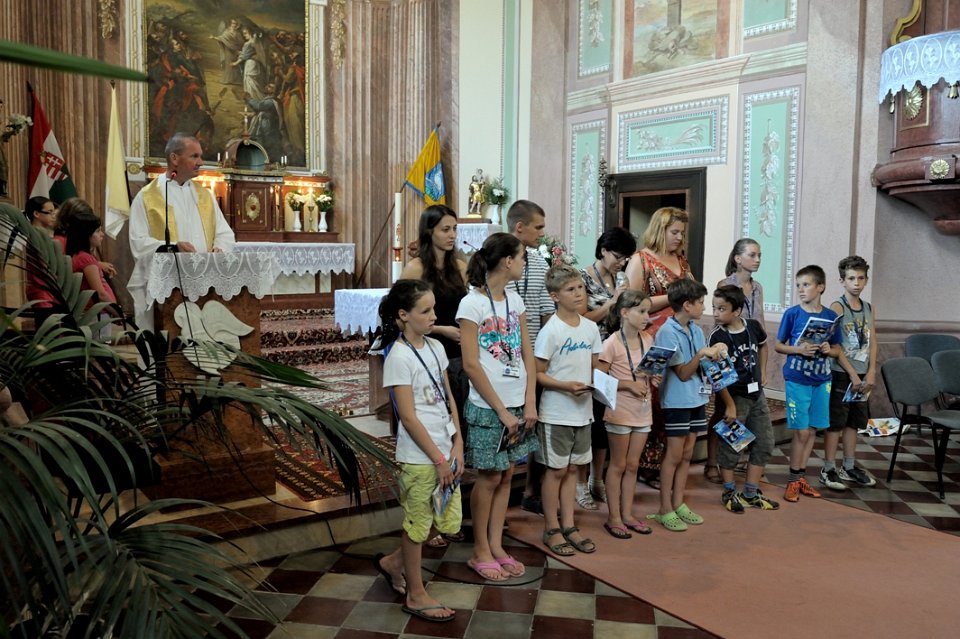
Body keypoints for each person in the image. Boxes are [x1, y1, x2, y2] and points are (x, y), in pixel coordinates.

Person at [373, 280, 463, 623]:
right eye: (425, 311)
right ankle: (415, 593)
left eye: (433, 308)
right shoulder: (398, 357)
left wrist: (458, 443)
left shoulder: (435, 348)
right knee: (417, 525)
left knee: (442, 523)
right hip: (420, 457)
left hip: (445, 447)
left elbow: (448, 397)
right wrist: (438, 459)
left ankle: (393, 563)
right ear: (403, 315)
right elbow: (408, 417)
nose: (434, 316)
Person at [456, 232, 538, 581]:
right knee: (489, 477)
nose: (523, 263)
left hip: (518, 402)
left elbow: (527, 354)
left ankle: (496, 545)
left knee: (506, 475)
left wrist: (530, 400)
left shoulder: (515, 301)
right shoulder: (471, 304)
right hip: (489, 407)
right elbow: (471, 364)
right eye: (521, 257)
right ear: (507, 261)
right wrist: (502, 411)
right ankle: (480, 550)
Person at [399, 205, 469, 548]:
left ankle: (446, 514)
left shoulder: (461, 266)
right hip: (429, 351)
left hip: (459, 356)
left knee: (455, 430)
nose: (452, 235)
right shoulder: (416, 268)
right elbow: (402, 313)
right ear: (429, 232)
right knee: (430, 433)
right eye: (445, 229)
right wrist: (442, 329)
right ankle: (425, 520)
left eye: (454, 228)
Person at [127, 133, 236, 330]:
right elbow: (138, 242)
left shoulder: (205, 196)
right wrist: (172, 247)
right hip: (167, 286)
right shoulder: (148, 197)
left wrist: (219, 248)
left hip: (204, 281)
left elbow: (224, 233)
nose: (200, 162)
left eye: (200, 156)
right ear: (174, 158)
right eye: (194, 156)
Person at [623, 207, 693, 489]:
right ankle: (647, 466)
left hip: (680, 338)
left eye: (682, 233)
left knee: (674, 399)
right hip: (653, 338)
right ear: (660, 230)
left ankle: (669, 463)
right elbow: (633, 302)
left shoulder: (681, 261)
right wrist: (674, 297)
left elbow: (692, 293)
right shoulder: (641, 260)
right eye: (674, 232)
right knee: (653, 400)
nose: (679, 238)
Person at [534, 264, 602, 555]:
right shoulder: (551, 330)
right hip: (556, 412)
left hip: (583, 411)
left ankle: (569, 524)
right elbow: (538, 373)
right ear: (555, 296)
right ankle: (551, 527)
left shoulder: (590, 327)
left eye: (581, 288)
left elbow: (595, 366)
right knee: (556, 471)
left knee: (574, 469)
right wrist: (565, 386)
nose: (578, 294)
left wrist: (601, 385)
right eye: (570, 289)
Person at [650, 278, 725, 531]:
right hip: (677, 400)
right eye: (700, 302)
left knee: (687, 454)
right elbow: (682, 373)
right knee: (673, 455)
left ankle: (678, 503)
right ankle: (664, 508)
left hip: (697, 398)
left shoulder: (695, 329)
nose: (704, 306)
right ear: (686, 305)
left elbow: (704, 365)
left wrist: (716, 353)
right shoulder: (667, 331)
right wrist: (702, 354)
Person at [577, 227, 636, 510]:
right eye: (618, 257)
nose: (621, 263)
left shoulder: (620, 279)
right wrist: (612, 303)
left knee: (605, 421)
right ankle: (580, 484)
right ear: (603, 250)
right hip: (589, 356)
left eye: (625, 259)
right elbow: (581, 318)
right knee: (588, 422)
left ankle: (597, 479)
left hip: (616, 357)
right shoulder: (583, 278)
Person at [774, 265, 844, 503]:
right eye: (798, 286)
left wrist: (828, 349)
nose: (801, 289)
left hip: (822, 379)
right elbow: (779, 345)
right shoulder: (792, 314)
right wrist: (799, 350)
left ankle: (801, 477)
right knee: (801, 431)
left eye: (806, 284)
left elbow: (837, 349)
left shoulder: (831, 316)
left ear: (820, 287)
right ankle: (793, 480)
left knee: (813, 429)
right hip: (798, 378)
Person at [709, 285, 780, 513]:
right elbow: (716, 375)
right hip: (734, 398)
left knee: (765, 443)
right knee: (733, 444)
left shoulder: (753, 327)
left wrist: (763, 372)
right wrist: (729, 405)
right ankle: (729, 492)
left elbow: (763, 346)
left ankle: (750, 492)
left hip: (756, 395)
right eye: (714, 308)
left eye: (721, 309)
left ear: (737, 311)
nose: (716, 313)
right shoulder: (718, 337)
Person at [505, 200, 555, 516]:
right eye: (538, 227)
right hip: (502, 361)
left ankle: (530, 490)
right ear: (520, 227)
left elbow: (547, 312)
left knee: (534, 425)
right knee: (506, 428)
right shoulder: (495, 257)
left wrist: (545, 356)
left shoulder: (538, 262)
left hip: (534, 358)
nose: (542, 233)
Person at [705, 238, 766, 484]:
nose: (757, 259)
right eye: (752, 255)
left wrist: (761, 369)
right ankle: (713, 462)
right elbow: (721, 314)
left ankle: (738, 459)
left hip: (749, 348)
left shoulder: (758, 287)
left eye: (759, 255)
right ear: (738, 259)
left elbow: (759, 320)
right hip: (730, 351)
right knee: (724, 412)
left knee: (748, 414)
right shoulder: (726, 284)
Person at [597, 290, 656, 538]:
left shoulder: (648, 339)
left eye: (647, 311)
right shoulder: (612, 343)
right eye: (641, 311)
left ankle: (628, 514)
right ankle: (613, 517)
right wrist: (627, 385)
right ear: (624, 313)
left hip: (643, 409)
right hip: (620, 410)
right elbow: (599, 380)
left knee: (633, 465)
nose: (647, 317)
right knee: (619, 465)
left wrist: (653, 378)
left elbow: (647, 371)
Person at [821, 256, 879, 490]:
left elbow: (873, 341)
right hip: (842, 374)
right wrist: (853, 374)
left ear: (866, 280)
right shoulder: (838, 307)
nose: (856, 283)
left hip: (863, 374)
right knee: (836, 423)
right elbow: (835, 345)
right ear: (842, 281)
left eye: (861, 278)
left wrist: (871, 371)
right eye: (851, 278)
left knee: (853, 423)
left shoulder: (868, 308)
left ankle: (849, 466)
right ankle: (828, 468)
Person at [65, 209, 119, 323]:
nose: (102, 234)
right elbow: (100, 294)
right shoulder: (86, 259)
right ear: (86, 234)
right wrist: (118, 313)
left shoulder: (81, 256)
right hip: (96, 315)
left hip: (99, 313)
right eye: (98, 231)